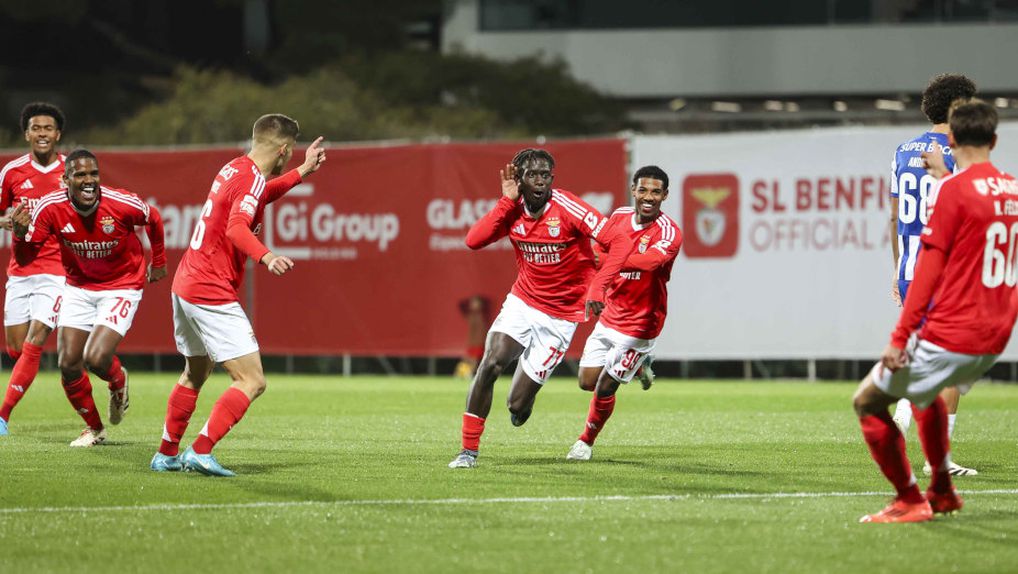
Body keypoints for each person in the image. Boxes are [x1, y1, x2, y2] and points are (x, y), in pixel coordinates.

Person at [854, 99, 1016, 523]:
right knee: (926, 396)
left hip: (954, 328)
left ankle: (909, 499)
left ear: (952, 139)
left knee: (868, 402)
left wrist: (898, 338)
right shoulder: (1012, 190)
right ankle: (942, 490)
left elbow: (926, 272)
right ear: (995, 141)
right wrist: (945, 179)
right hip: (995, 332)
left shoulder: (951, 191)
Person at [149, 114, 326, 476]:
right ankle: (200, 450)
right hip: (209, 288)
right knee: (252, 380)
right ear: (283, 149)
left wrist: (301, 173)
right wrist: (267, 255)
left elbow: (259, 195)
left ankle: (166, 453)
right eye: (291, 154)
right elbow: (236, 228)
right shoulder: (249, 179)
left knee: (195, 371)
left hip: (186, 282)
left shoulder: (236, 168)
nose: (290, 157)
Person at [448, 148, 633, 469]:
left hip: (561, 316)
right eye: (532, 175)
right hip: (523, 301)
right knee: (490, 363)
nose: (540, 182)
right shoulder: (513, 209)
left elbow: (619, 241)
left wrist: (598, 284)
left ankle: (523, 403)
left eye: (545, 175)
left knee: (516, 406)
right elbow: (473, 240)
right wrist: (505, 202)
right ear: (518, 179)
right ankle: (468, 452)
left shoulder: (568, 207)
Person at [10, 148, 166, 446]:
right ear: (65, 179)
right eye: (80, 175)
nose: (89, 180)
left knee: (95, 358)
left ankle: (118, 382)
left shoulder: (120, 202)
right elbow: (28, 256)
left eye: (93, 174)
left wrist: (158, 262)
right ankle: (95, 429)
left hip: (121, 285)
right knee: (69, 364)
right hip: (78, 287)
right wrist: (19, 234)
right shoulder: (49, 208)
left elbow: (154, 218)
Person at [887, 74, 979, 476]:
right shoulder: (960, 152)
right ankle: (936, 457)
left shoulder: (903, 150)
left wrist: (896, 269)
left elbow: (893, 217)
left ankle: (907, 408)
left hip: (910, 269)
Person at [567, 166, 681, 461]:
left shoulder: (669, 232)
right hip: (611, 314)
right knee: (586, 382)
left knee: (606, 386)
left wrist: (611, 259)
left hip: (641, 323)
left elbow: (649, 263)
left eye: (656, 192)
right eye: (643, 190)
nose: (648, 197)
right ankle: (640, 366)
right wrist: (602, 274)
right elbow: (595, 249)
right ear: (633, 190)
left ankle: (584, 443)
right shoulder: (618, 217)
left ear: (665, 195)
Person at [0, 103, 67, 435]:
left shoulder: (73, 171)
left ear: (58, 134)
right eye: (36, 128)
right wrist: (10, 221)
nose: (42, 134)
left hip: (58, 271)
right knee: (16, 348)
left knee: (36, 338)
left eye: (48, 128)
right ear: (27, 134)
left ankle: (2, 416)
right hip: (21, 272)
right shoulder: (11, 172)